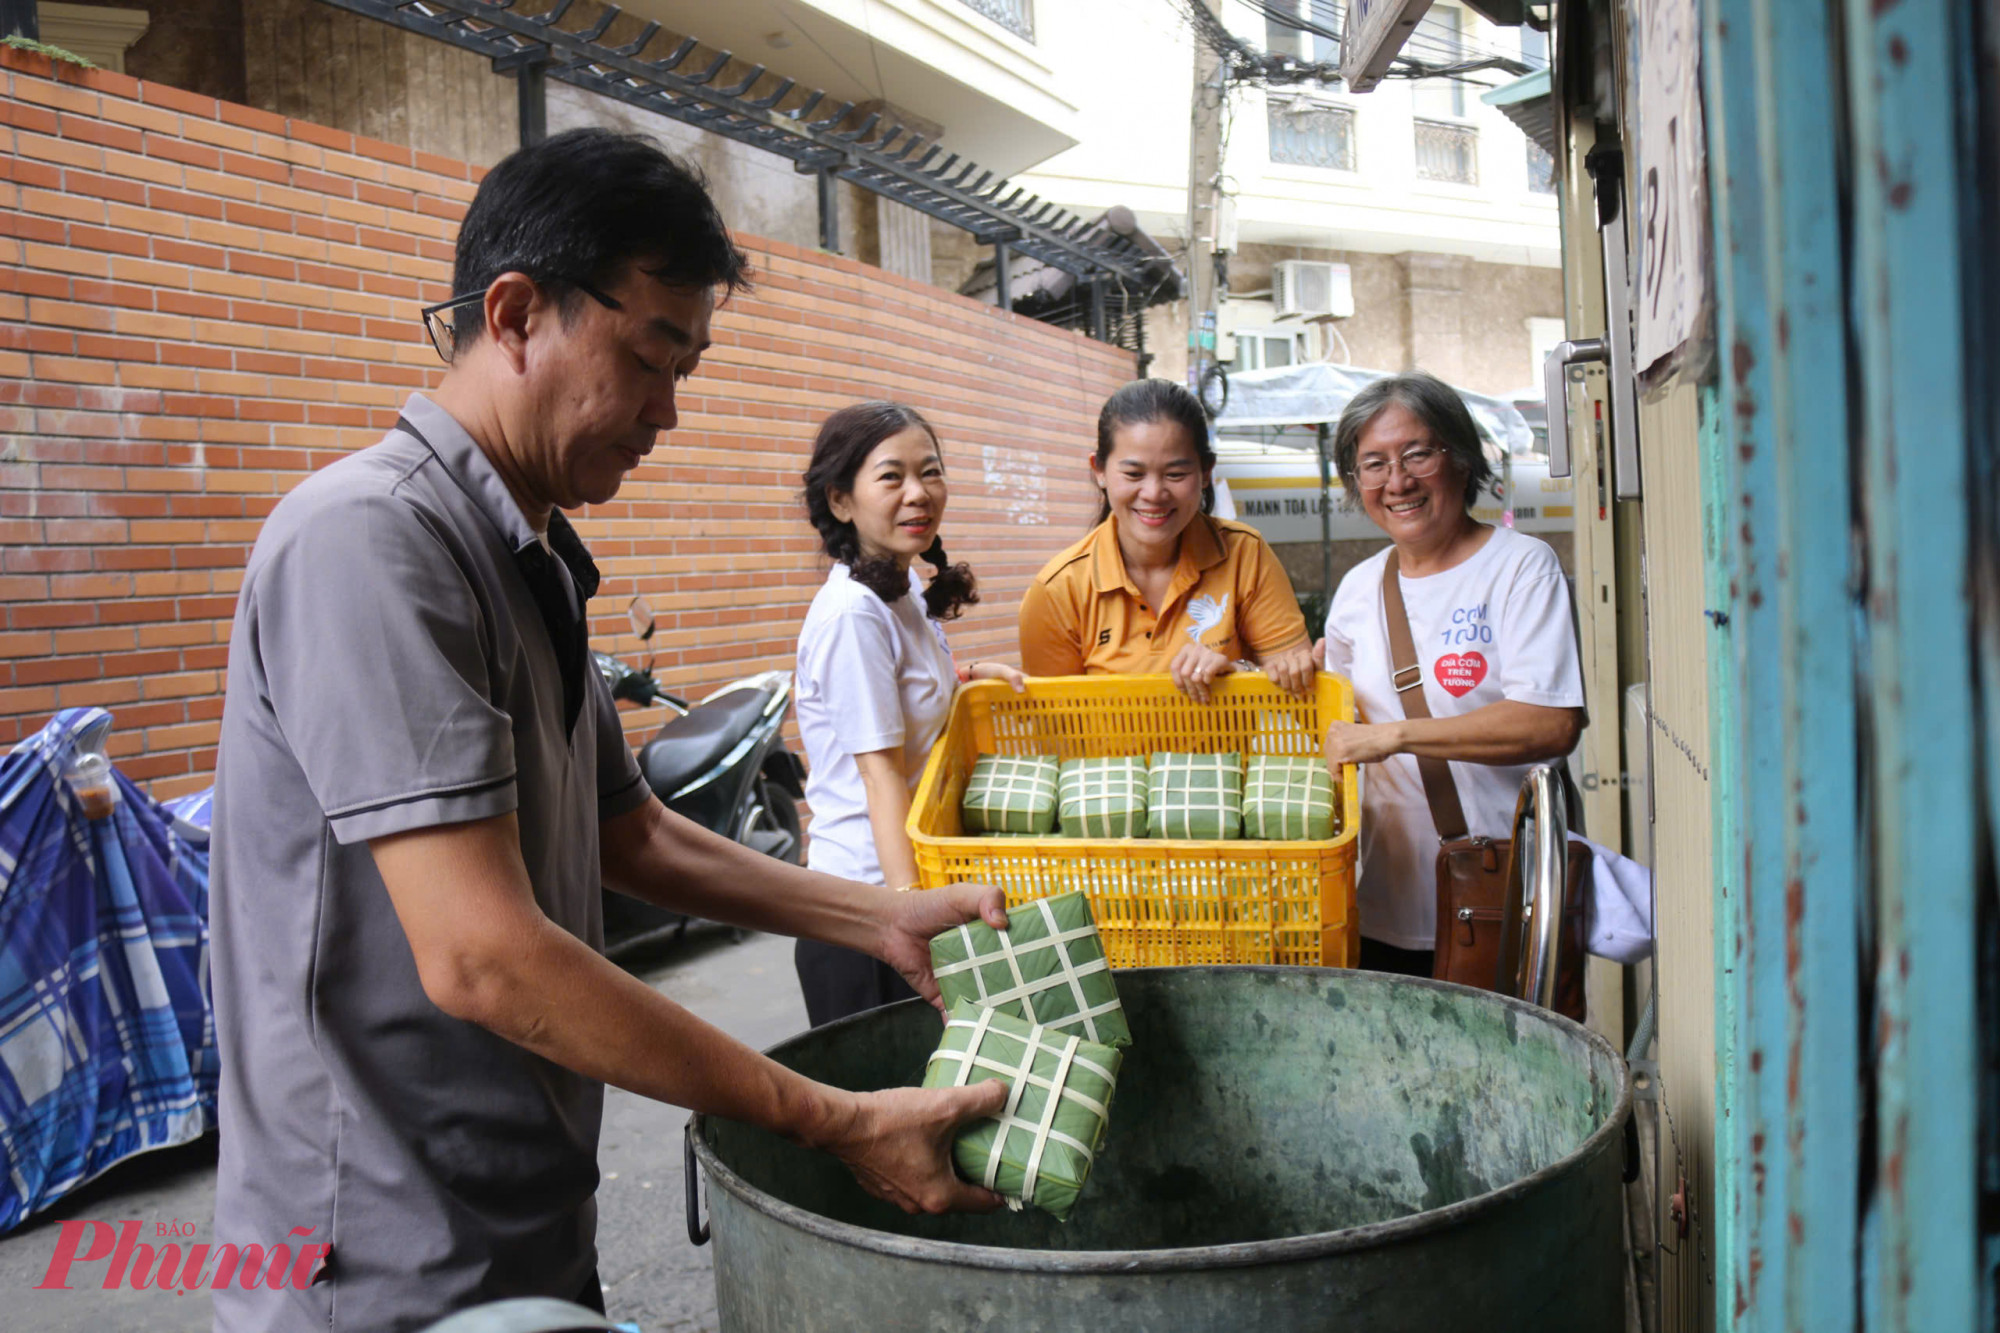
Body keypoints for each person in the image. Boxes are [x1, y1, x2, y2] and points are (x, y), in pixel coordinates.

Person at [208, 130, 1011, 1333]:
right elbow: (481, 953)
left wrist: (876, 914)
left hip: (511, 1210)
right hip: (373, 1254)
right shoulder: (369, 543)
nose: (667, 413)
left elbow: (631, 838)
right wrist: (833, 1118)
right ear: (518, 311)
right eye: (650, 356)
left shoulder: (523, 553)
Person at [1315, 372, 1587, 975]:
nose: (1398, 481)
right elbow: (1336, 731)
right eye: (1374, 464)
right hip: (1381, 902)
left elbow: (1550, 722)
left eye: (1417, 453)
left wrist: (1396, 736)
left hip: (1500, 900)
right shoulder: (1358, 589)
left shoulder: (1519, 567)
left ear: (1461, 460)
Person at [792, 402, 1027, 1027]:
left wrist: (969, 675)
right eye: (892, 477)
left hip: (904, 893)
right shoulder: (853, 613)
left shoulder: (899, 589)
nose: (918, 493)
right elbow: (880, 775)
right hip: (866, 913)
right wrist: (910, 915)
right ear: (842, 500)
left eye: (931, 472)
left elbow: (900, 692)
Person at [1017, 379, 1314, 701]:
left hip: (1224, 754)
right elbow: (1052, 731)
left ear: (1205, 473)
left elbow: (1302, 694)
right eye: (1133, 474)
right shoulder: (1059, 589)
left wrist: (1237, 672)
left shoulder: (1245, 554)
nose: (1154, 493)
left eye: (1175, 474)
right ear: (1099, 470)